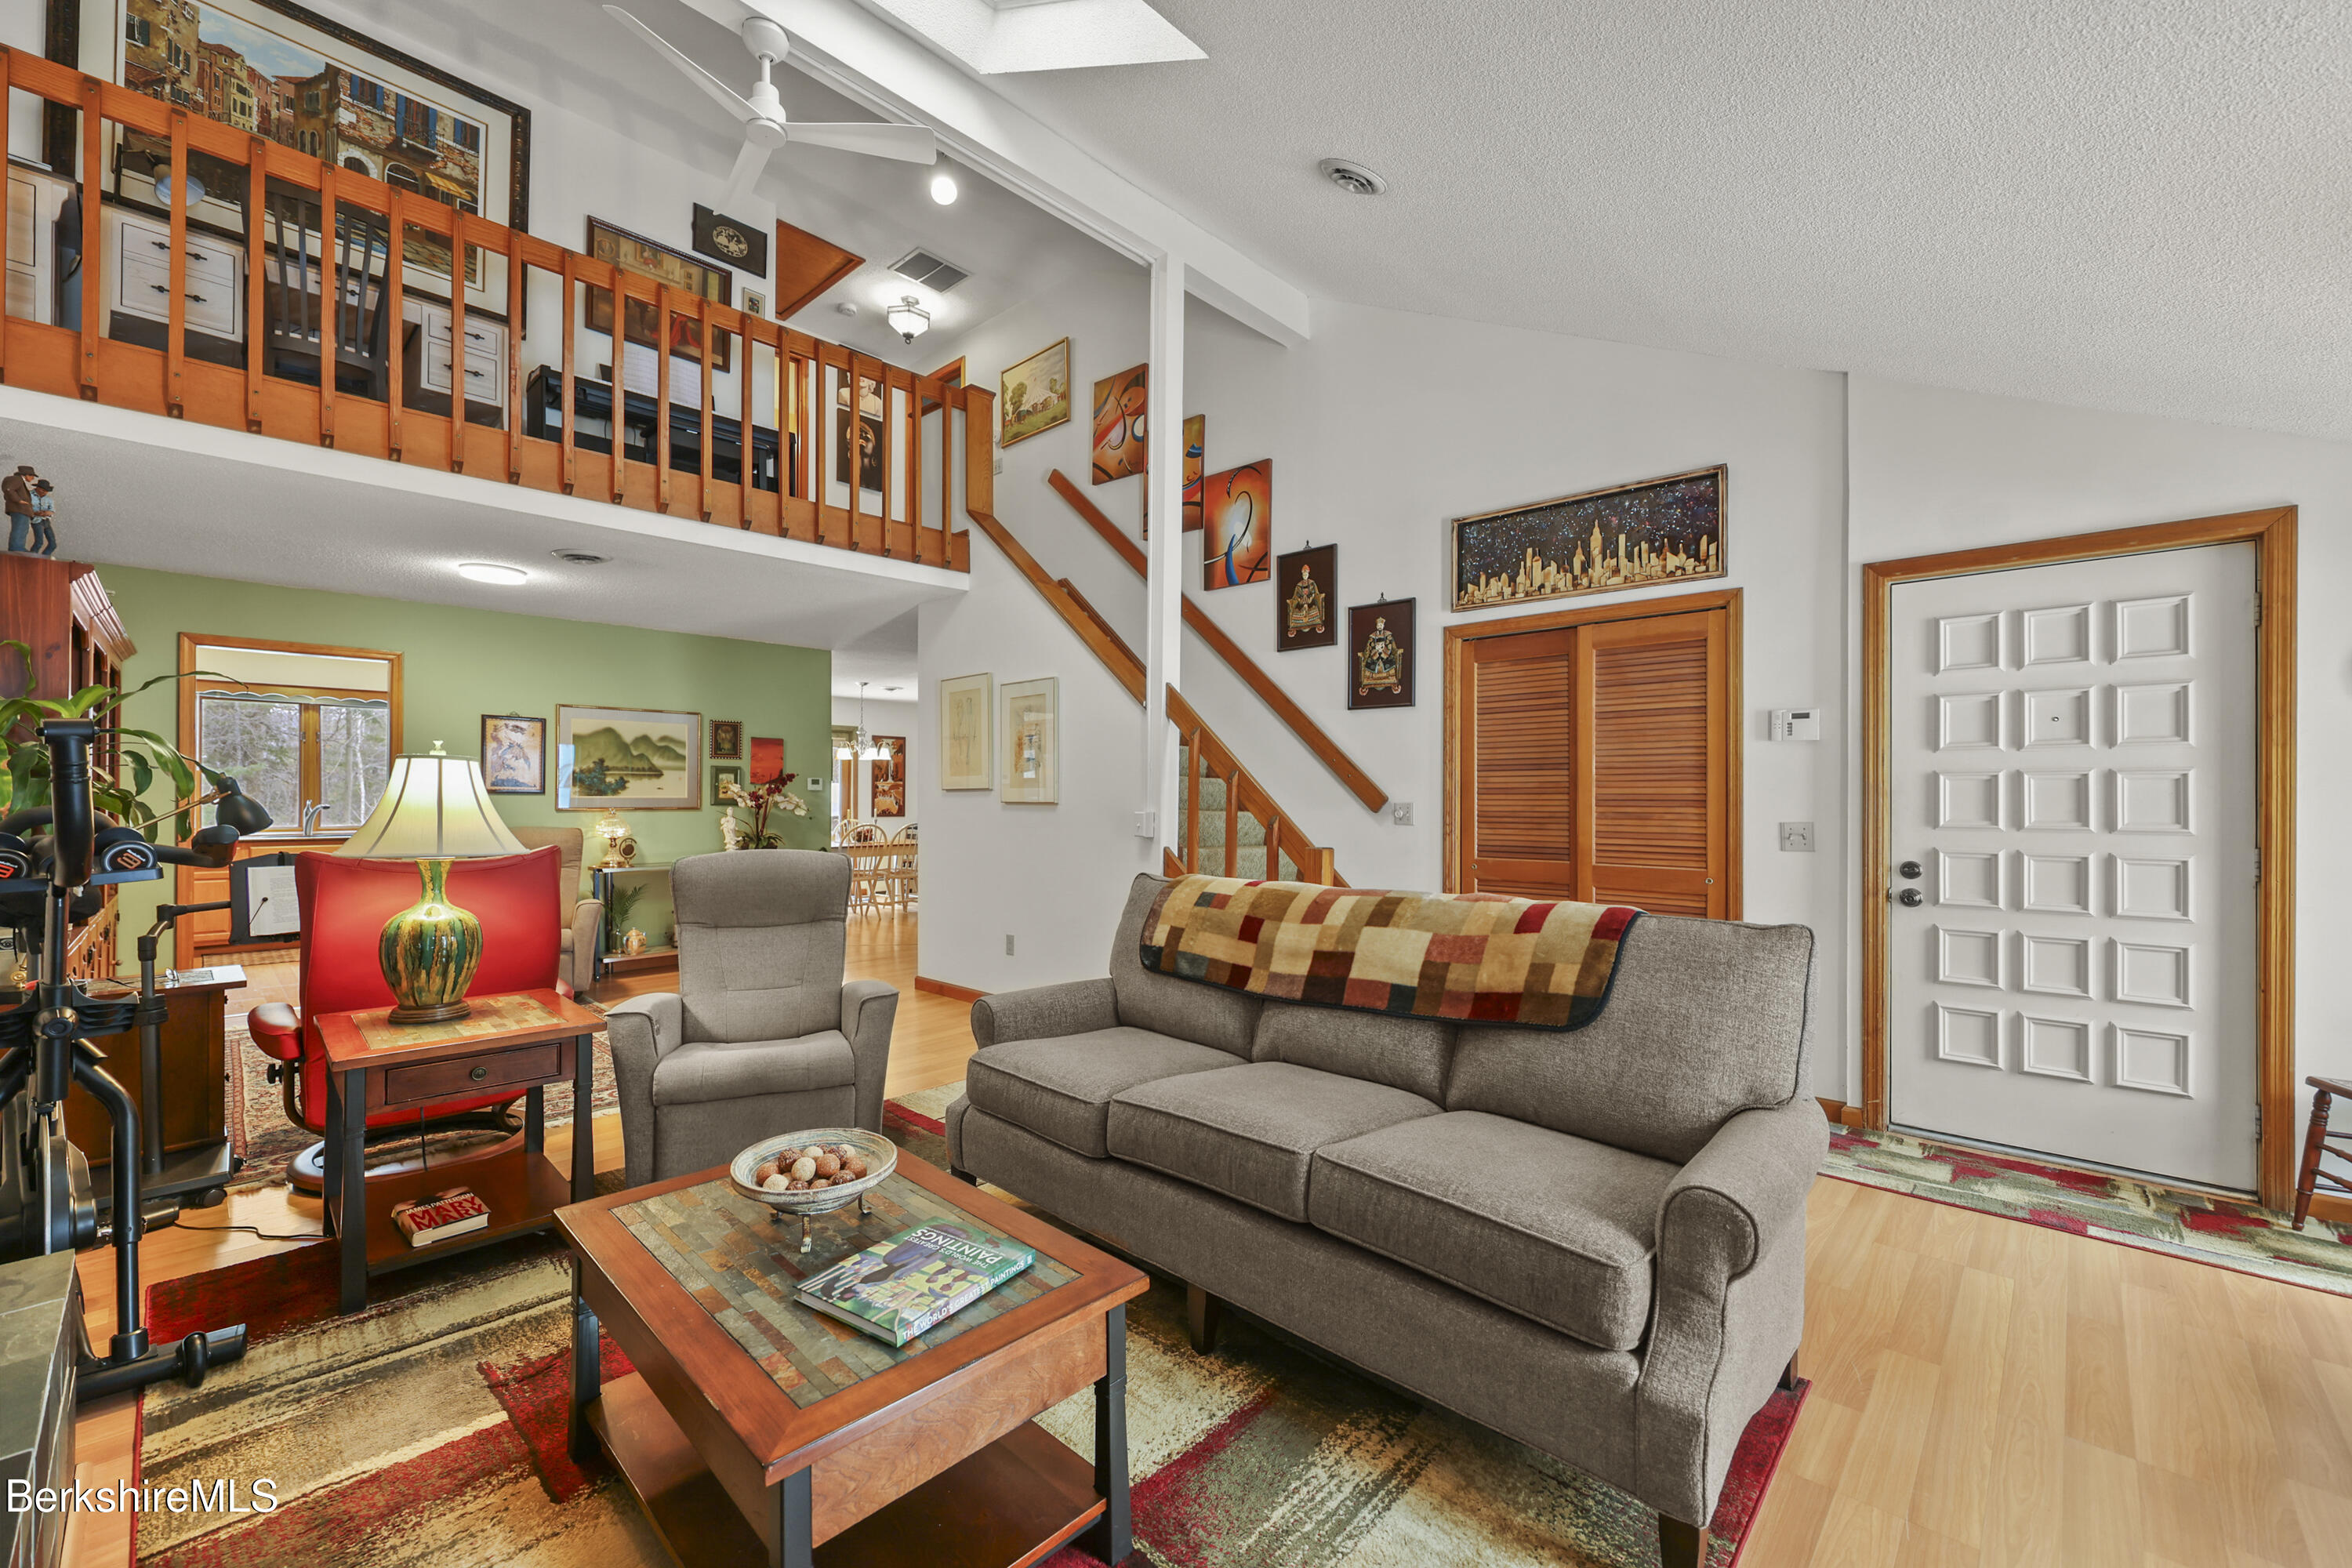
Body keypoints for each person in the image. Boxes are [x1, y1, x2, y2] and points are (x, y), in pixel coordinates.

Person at [2, 466, 35, 554]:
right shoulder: (17, 480)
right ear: (26, 475)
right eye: (32, 476)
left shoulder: (19, 481)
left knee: (22, 528)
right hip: (20, 509)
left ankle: (18, 547)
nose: (33, 478)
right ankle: (17, 548)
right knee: (20, 528)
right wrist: (19, 500)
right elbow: (9, 489)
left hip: (21, 510)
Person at [26, 480, 56, 557]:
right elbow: (25, 508)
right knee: (39, 542)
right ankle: (31, 558)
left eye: (46, 491)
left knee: (53, 544)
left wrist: (47, 513)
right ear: (37, 488)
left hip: (46, 521)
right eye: (43, 490)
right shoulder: (29, 495)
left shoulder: (48, 499)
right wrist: (35, 513)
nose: (45, 492)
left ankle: (43, 558)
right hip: (36, 521)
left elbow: (52, 510)